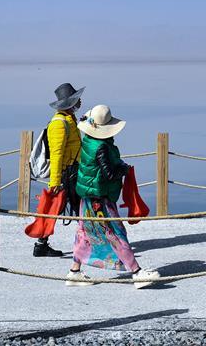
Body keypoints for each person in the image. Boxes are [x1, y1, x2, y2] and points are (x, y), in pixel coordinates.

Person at [66, 104, 160, 288]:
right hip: (100, 199)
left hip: (87, 196)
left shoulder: (88, 141)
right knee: (115, 233)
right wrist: (123, 169)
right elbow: (109, 174)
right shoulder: (101, 147)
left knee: (84, 232)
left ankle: (74, 272)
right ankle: (137, 273)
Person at [32, 82, 85, 258]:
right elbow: (56, 155)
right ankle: (91, 243)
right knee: (64, 208)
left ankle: (42, 245)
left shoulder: (69, 120)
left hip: (73, 172)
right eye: (77, 98)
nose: (80, 101)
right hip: (65, 175)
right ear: (69, 102)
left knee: (71, 208)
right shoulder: (59, 124)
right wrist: (55, 182)